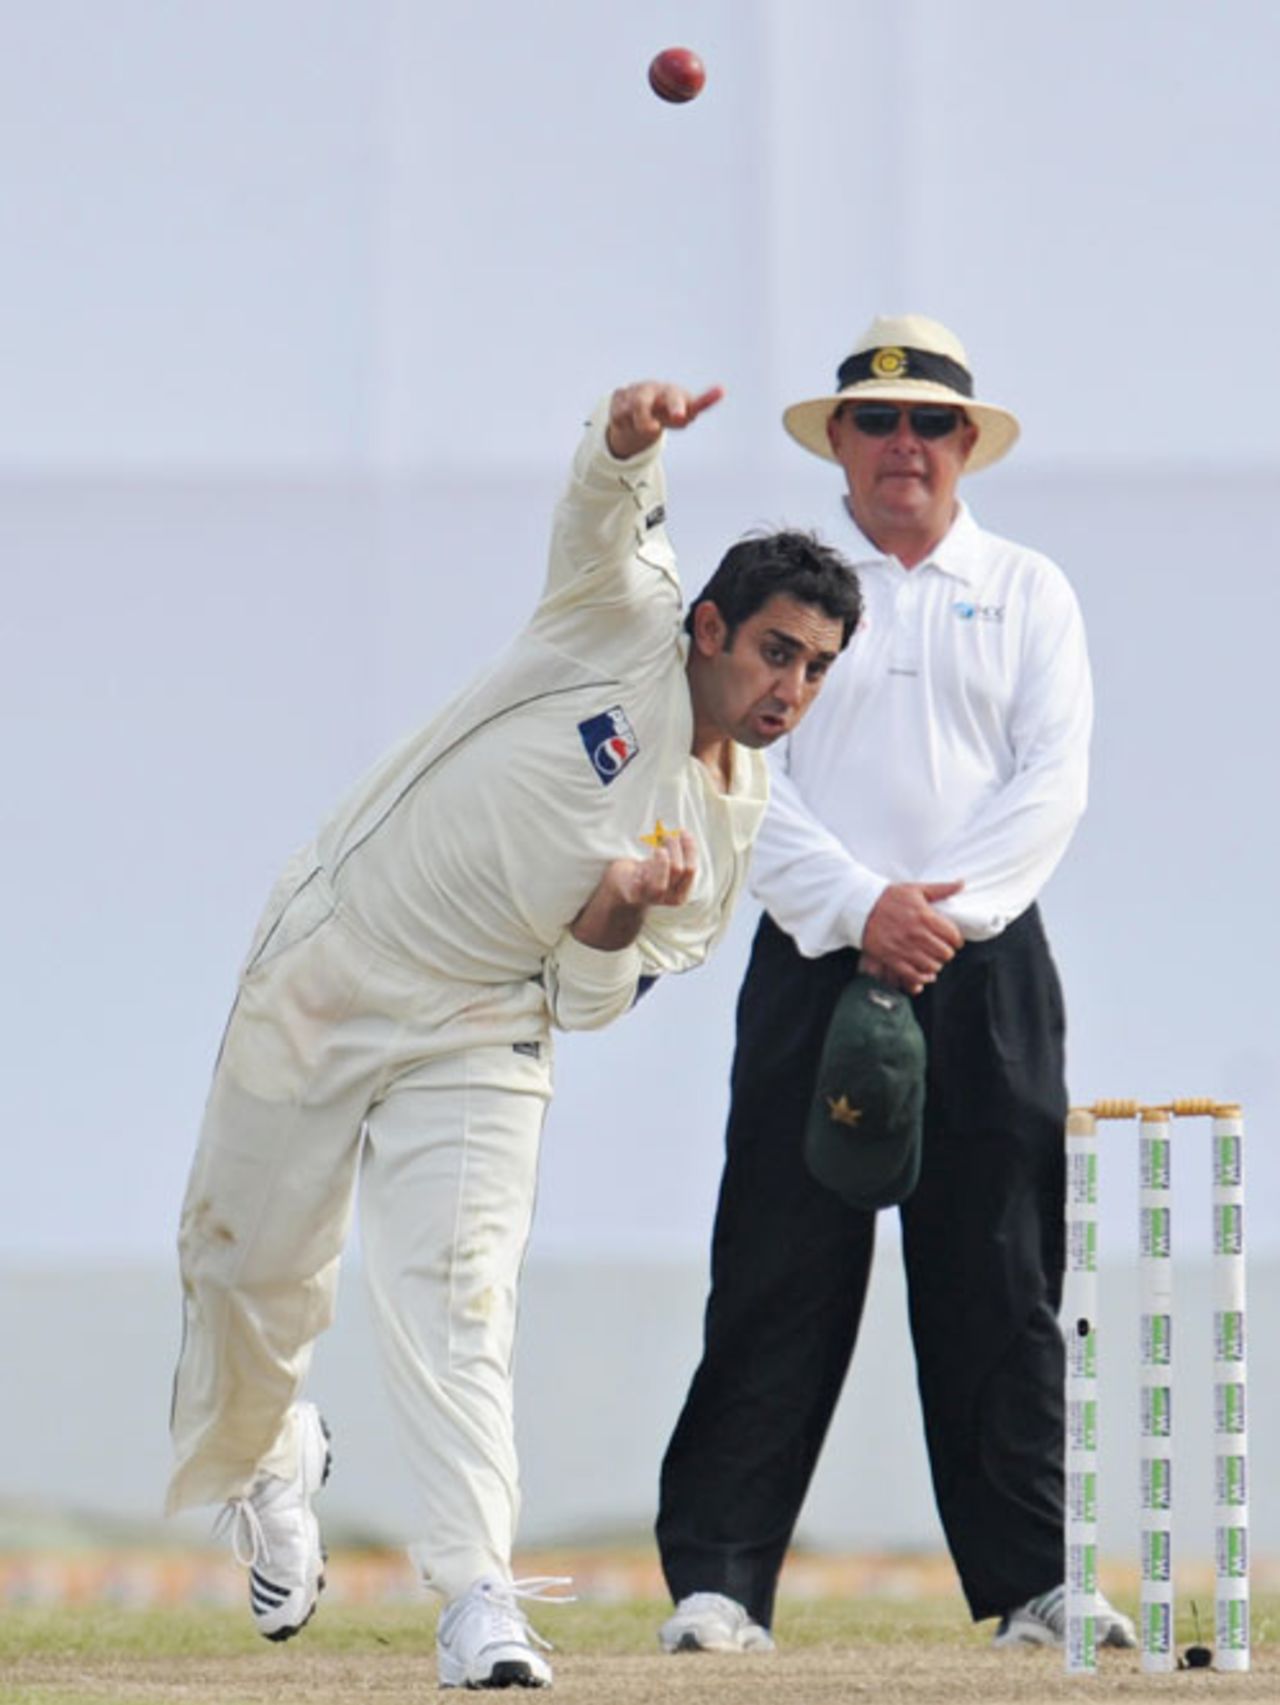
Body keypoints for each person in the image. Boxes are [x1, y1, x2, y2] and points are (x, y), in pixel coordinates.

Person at [165, 377, 862, 1690]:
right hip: (337, 954)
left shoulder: (727, 825)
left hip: (485, 1029)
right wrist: (628, 435)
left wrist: (609, 915)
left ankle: (477, 1595)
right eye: (777, 650)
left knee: (460, 1295)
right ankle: (268, 1458)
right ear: (710, 627)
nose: (792, 688)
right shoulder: (622, 621)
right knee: (244, 1260)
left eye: (819, 668)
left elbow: (591, 1000)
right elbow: (609, 511)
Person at [655, 315, 1137, 1654]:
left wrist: (940, 916)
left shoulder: (1028, 587)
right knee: (776, 1262)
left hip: (986, 971)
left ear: (967, 442)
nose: (904, 446)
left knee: (998, 1267)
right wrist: (859, 906)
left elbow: (1054, 778)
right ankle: (720, 1582)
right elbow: (737, 764)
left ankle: (1036, 1579)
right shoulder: (798, 591)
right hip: (816, 956)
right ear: (842, 444)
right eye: (877, 422)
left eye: (930, 422)